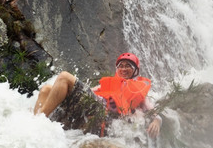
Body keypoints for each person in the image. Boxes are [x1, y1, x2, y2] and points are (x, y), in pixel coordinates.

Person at [34, 53, 162, 138]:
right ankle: (34, 121)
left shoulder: (137, 90)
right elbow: (88, 91)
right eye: (121, 66)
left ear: (135, 70)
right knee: (46, 89)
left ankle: (35, 124)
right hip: (92, 107)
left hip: (105, 116)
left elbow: (153, 112)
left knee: (64, 77)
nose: (123, 69)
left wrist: (157, 121)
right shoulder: (109, 84)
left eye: (128, 66)